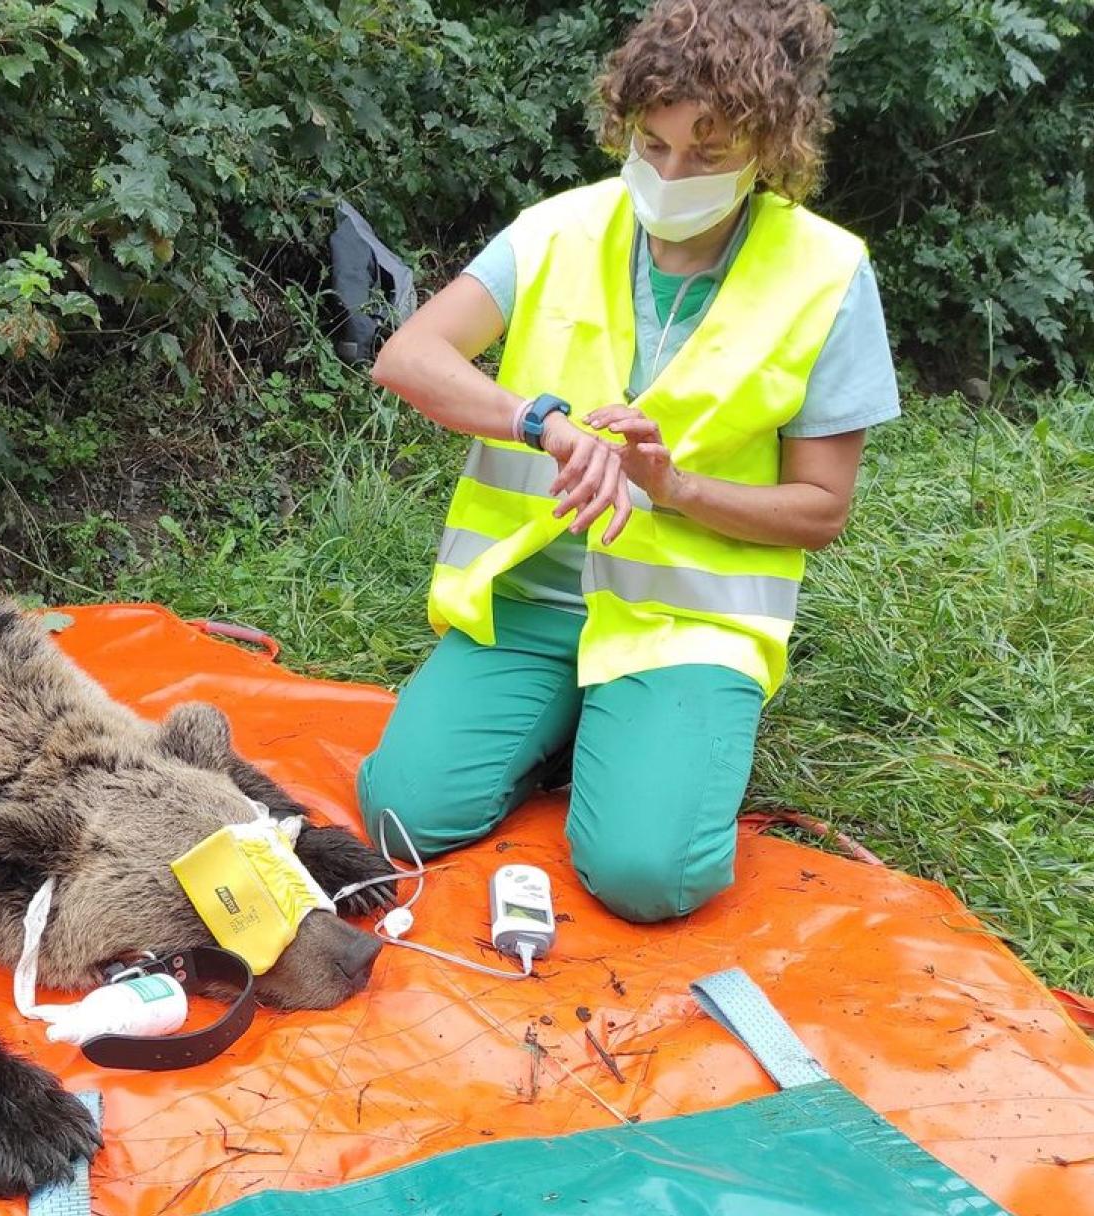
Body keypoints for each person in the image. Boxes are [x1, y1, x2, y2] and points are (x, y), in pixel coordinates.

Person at [358, 0, 899, 923]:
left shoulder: (829, 275)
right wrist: (539, 422)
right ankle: (581, 724)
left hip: (685, 623)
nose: (670, 174)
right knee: (399, 813)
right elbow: (408, 358)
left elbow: (822, 510)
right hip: (532, 603)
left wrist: (675, 487)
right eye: (652, 144)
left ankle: (649, 732)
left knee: (653, 878)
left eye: (708, 153)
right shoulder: (561, 228)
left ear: (773, 145)